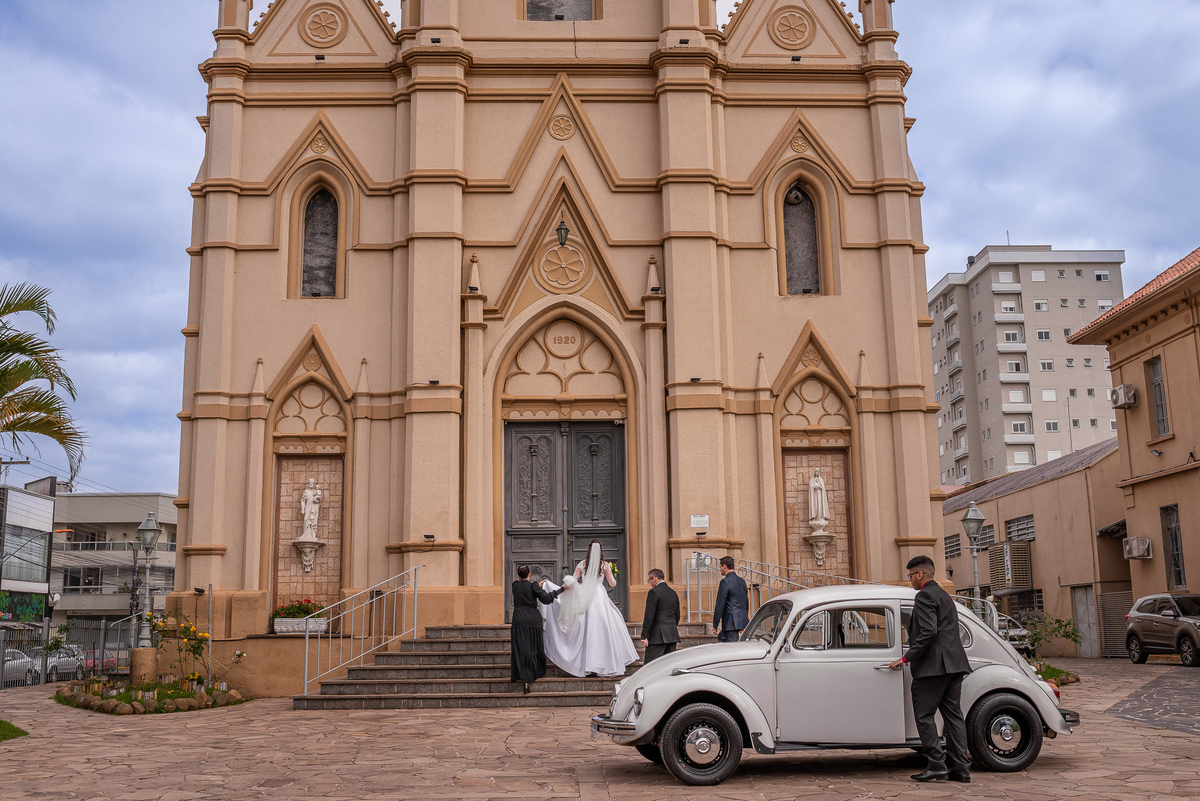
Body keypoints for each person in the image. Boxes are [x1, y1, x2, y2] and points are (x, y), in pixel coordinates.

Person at [888, 555, 972, 783]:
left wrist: (905, 658)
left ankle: (936, 765)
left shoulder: (924, 595)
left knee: (924, 715)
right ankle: (961, 769)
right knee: (954, 716)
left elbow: (928, 632)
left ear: (919, 574)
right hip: (954, 664)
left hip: (933, 666)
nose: (910, 581)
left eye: (910, 576)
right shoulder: (944, 595)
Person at [540, 540, 639, 677]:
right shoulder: (605, 565)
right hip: (599, 594)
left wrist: (552, 585)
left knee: (583, 626)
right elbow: (613, 584)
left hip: (584, 593)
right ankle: (603, 663)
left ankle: (584, 663)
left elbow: (572, 581)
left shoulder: (582, 564)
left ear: (589, 550)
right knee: (603, 627)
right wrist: (613, 574)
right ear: (601, 551)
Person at [510, 564, 563, 694]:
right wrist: (561, 589)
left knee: (521, 647)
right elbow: (547, 599)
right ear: (529, 574)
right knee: (533, 647)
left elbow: (524, 589)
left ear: (518, 575)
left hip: (518, 620)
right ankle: (532, 675)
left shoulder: (514, 586)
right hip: (533, 619)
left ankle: (523, 678)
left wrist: (535, 587)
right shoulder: (533, 586)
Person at [640, 568, 680, 663]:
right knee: (669, 666)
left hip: (657, 636)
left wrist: (644, 635)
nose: (649, 583)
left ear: (654, 578)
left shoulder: (653, 592)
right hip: (672, 634)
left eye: (649, 580)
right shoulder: (673, 592)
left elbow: (649, 616)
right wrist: (672, 628)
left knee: (650, 666)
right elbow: (677, 614)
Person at [712, 555, 749, 642]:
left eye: (720, 567)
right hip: (740, 619)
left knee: (733, 649)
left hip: (730, 621)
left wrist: (715, 624)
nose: (720, 569)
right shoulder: (742, 581)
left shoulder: (725, 582)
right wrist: (743, 621)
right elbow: (745, 602)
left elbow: (720, 604)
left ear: (724, 566)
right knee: (722, 638)